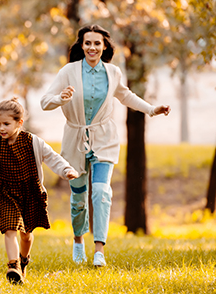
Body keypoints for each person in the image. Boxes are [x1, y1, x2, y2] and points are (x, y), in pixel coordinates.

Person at [41, 24, 171, 267]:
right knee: (79, 198)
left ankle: (99, 249)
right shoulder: (68, 71)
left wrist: (152, 109)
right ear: (81, 46)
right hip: (75, 139)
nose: (92, 47)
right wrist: (61, 98)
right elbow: (44, 102)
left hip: (104, 139)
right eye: (87, 43)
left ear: (104, 47)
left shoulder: (113, 73)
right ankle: (78, 240)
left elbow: (126, 96)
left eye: (97, 43)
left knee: (101, 192)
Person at [0, 97, 79, 284]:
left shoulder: (33, 141)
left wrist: (66, 170)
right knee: (10, 228)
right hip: (5, 193)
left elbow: (52, 157)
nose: (1, 128)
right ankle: (13, 266)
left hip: (29, 192)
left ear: (19, 123)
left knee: (26, 235)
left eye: (6, 124)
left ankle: (23, 261)